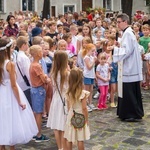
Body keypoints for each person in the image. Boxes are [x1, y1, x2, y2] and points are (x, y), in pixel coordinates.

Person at [0, 38, 38, 150]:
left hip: (1, 92)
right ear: (6, 49)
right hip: (10, 94)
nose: (13, 50)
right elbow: (13, 85)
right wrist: (20, 101)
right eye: (11, 48)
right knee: (12, 120)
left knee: (2, 119)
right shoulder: (10, 64)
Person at [113, 13, 144, 122]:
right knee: (128, 90)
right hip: (129, 66)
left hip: (129, 68)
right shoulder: (127, 33)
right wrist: (119, 45)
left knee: (129, 91)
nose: (117, 24)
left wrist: (115, 50)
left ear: (125, 22)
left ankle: (131, 113)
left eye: (118, 22)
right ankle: (127, 112)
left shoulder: (128, 34)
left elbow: (127, 51)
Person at [47, 51, 69, 150]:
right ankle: (64, 147)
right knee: (64, 124)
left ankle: (60, 147)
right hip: (64, 98)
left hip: (56, 98)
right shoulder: (66, 73)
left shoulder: (53, 73)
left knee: (57, 124)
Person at [64, 68, 90, 150]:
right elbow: (84, 108)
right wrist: (86, 118)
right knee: (80, 139)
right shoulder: (82, 93)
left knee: (69, 138)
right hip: (80, 116)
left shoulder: (68, 92)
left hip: (71, 115)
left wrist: (69, 114)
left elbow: (68, 107)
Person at [29, 45, 50, 142]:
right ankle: (38, 134)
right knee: (38, 113)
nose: (43, 53)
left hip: (35, 89)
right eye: (41, 51)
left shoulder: (33, 64)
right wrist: (47, 78)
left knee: (36, 112)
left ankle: (35, 132)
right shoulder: (37, 65)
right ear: (38, 54)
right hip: (38, 90)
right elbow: (44, 79)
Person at [82, 43, 97, 112]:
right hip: (87, 75)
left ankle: (90, 103)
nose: (93, 52)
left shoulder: (91, 57)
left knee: (91, 90)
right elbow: (89, 67)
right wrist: (94, 61)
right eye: (92, 51)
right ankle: (85, 104)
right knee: (86, 91)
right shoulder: (86, 58)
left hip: (91, 75)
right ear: (88, 50)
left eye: (94, 51)